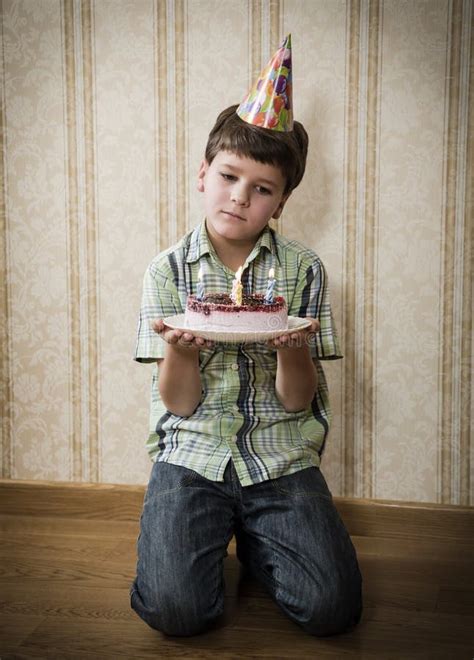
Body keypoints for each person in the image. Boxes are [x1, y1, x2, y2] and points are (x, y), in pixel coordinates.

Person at [131, 36, 362, 637]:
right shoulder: (167, 271)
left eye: (262, 188)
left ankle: (261, 547)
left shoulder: (304, 270)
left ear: (281, 200)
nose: (240, 196)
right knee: (176, 614)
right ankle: (205, 546)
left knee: (332, 611)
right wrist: (180, 349)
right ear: (204, 173)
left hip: (280, 451)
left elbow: (295, 400)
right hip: (192, 451)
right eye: (230, 176)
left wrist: (294, 349)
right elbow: (178, 403)